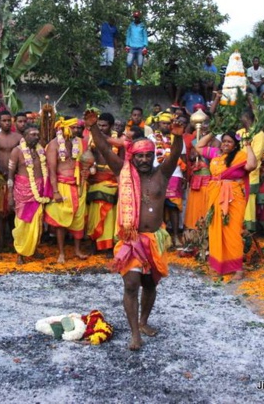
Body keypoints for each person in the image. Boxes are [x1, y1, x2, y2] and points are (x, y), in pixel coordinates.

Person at [88, 109, 184, 351]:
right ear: (132, 156)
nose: (142, 160)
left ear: (153, 156)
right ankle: (134, 334)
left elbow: (174, 154)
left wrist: (178, 135)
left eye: (147, 156)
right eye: (139, 156)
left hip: (154, 239)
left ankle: (143, 322)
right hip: (131, 240)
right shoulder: (123, 171)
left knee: (150, 284)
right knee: (131, 284)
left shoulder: (162, 174)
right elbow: (104, 148)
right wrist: (92, 127)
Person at [196, 130, 257, 280]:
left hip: (233, 198)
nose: (226, 144)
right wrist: (212, 131)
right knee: (216, 230)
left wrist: (248, 145)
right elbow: (198, 146)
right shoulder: (216, 154)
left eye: (229, 142)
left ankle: (238, 269)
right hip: (215, 196)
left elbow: (252, 165)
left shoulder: (240, 156)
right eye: (224, 141)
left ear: (235, 145)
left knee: (233, 231)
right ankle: (219, 265)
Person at [44, 118, 87, 263]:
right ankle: (61, 253)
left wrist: (88, 169)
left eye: (78, 127)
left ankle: (77, 250)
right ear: (64, 128)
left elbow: (87, 161)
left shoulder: (80, 143)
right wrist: (55, 191)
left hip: (79, 185)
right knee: (61, 220)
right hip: (62, 186)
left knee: (79, 219)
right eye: (74, 128)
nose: (77, 130)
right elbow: (52, 170)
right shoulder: (54, 145)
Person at [8, 125, 50, 264]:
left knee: (37, 222)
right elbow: (10, 175)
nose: (36, 137)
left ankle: (33, 249)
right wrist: (9, 195)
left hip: (39, 190)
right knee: (22, 223)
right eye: (32, 134)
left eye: (37, 134)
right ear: (24, 136)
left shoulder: (40, 150)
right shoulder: (17, 151)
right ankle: (20, 253)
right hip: (22, 191)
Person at [149, 112, 187, 246]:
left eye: (167, 123)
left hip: (175, 174)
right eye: (163, 123)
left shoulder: (177, 137)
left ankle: (176, 236)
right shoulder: (151, 138)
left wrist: (185, 177)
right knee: (157, 205)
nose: (165, 126)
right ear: (158, 124)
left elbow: (182, 158)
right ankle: (158, 237)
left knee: (173, 206)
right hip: (157, 173)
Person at [86, 113, 120, 254]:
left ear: (111, 126)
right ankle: (94, 242)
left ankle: (109, 246)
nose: (101, 128)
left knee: (110, 215)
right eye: (99, 125)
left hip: (112, 180)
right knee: (94, 212)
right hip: (96, 178)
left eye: (104, 125)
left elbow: (122, 162)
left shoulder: (117, 142)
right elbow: (87, 158)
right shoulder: (91, 140)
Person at [0, 110, 23, 248]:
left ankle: (15, 241)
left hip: (15, 176)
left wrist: (12, 172)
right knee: (0, 210)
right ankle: (2, 241)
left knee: (13, 209)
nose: (7, 123)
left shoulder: (18, 137)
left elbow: (22, 156)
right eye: (4, 121)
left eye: (9, 120)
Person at [184, 113, 218, 230]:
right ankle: (194, 233)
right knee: (195, 206)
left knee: (206, 205)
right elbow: (191, 157)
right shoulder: (195, 141)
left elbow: (216, 160)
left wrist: (203, 153)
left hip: (209, 178)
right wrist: (195, 155)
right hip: (196, 177)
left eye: (207, 127)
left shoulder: (216, 143)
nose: (204, 129)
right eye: (203, 127)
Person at [239, 110, 264, 232]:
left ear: (248, 118)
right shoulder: (239, 133)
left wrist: (239, 162)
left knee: (248, 203)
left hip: (251, 173)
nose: (241, 120)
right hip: (237, 173)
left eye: (243, 117)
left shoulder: (259, 135)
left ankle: (248, 230)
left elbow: (256, 155)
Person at [125, 11, 148, 86]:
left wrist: (145, 46)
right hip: (131, 47)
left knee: (140, 64)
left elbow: (145, 36)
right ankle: (128, 79)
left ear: (139, 17)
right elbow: (128, 35)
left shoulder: (142, 26)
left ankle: (138, 81)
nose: (136, 18)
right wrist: (127, 45)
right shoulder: (131, 25)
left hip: (140, 47)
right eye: (135, 17)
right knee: (129, 63)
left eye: (137, 17)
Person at [100, 18, 118, 83]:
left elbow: (115, 39)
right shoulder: (104, 25)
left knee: (110, 64)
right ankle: (102, 79)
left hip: (111, 47)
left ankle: (108, 79)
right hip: (103, 46)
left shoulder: (115, 28)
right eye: (111, 20)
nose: (112, 22)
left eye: (114, 21)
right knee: (103, 63)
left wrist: (116, 49)